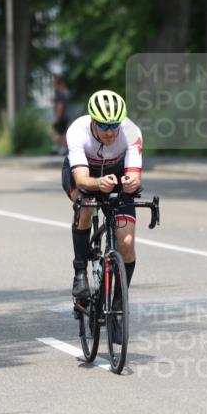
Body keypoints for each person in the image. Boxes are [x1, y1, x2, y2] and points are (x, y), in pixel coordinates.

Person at [63, 90, 143, 343]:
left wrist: (131, 182)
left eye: (115, 126)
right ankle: (79, 273)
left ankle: (117, 305)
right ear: (92, 122)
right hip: (87, 174)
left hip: (116, 173)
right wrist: (98, 182)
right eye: (104, 126)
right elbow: (81, 180)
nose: (110, 132)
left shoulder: (131, 132)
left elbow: (135, 174)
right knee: (85, 205)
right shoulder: (77, 131)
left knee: (127, 243)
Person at [51, 76, 70, 156]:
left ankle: (61, 149)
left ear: (57, 84)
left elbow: (60, 106)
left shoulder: (59, 93)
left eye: (54, 84)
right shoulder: (65, 92)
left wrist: (57, 118)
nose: (53, 86)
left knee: (59, 133)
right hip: (65, 116)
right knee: (62, 132)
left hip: (61, 117)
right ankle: (62, 149)